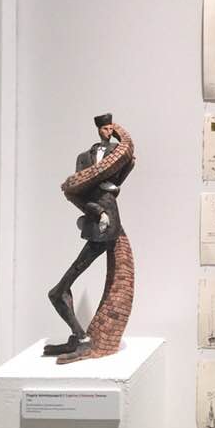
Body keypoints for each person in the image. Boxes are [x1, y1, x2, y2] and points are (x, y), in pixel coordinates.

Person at [43, 113, 134, 357]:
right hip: (96, 218)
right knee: (58, 291)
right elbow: (76, 189)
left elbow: (120, 175)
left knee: (58, 292)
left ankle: (82, 338)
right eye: (104, 128)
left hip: (108, 223)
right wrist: (95, 209)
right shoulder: (84, 158)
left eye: (110, 128)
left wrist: (109, 190)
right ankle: (80, 337)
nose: (107, 132)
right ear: (98, 130)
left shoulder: (119, 154)